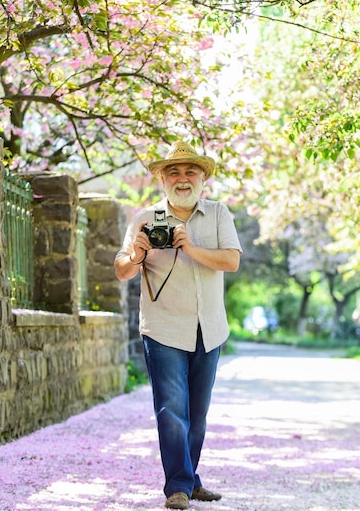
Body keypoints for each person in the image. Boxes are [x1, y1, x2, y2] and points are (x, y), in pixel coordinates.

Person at [114, 141, 242, 510]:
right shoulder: (144, 218)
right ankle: (179, 488)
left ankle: (189, 478)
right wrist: (137, 254)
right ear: (162, 179)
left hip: (210, 328)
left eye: (190, 172)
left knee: (197, 414)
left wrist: (189, 247)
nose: (182, 178)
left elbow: (231, 261)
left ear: (203, 178)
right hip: (163, 328)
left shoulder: (219, 214)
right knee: (172, 409)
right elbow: (122, 270)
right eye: (174, 172)